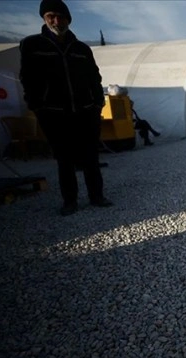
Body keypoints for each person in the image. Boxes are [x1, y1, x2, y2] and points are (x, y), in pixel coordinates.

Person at [19, 0, 112, 216]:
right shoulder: (33, 46)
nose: (57, 21)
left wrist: (97, 104)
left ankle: (96, 196)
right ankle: (70, 200)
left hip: (85, 110)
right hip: (54, 112)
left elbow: (94, 78)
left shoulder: (81, 49)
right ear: (44, 18)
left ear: (69, 19)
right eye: (51, 16)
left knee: (90, 156)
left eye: (61, 16)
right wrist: (38, 106)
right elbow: (28, 78)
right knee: (64, 158)